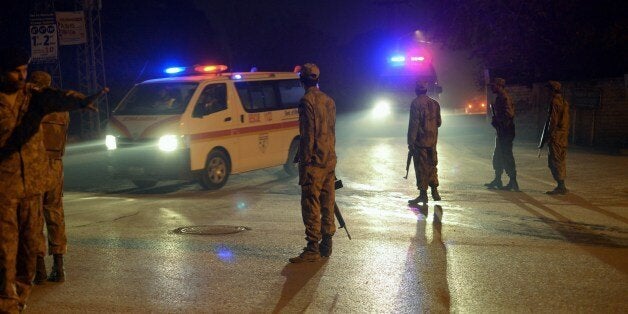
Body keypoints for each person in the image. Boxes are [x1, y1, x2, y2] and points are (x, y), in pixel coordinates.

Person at [0, 47, 105, 312]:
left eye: (25, 71)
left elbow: (55, 98)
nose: (22, 77)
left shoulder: (33, 98)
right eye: (16, 71)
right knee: (6, 252)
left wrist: (80, 100)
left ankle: (23, 295)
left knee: (30, 245)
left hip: (33, 184)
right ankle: (9, 302)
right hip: (7, 188)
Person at [289, 63, 337, 263]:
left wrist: (305, 161)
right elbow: (332, 131)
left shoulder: (306, 101)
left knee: (311, 204)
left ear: (302, 80)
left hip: (314, 162)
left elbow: (307, 135)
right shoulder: (329, 100)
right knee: (328, 202)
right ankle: (326, 244)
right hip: (329, 159)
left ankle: (312, 248)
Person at [28, 71, 70, 284]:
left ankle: (39, 270)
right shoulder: (62, 109)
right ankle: (59, 267)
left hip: (35, 166)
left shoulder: (30, 104)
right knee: (55, 214)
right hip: (55, 166)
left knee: (34, 216)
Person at [407, 81, 442, 204]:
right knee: (432, 165)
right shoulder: (435, 104)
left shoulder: (415, 103)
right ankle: (435, 191)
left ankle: (423, 195)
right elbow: (439, 123)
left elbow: (414, 124)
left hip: (420, 142)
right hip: (432, 141)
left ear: (416, 90)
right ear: (426, 90)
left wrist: (411, 141)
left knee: (421, 167)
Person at [484, 77, 519, 191]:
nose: (492, 88)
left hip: (505, 131)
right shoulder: (500, 97)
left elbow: (509, 115)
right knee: (498, 155)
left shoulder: (504, 98)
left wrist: (498, 122)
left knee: (506, 155)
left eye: (494, 86)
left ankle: (513, 182)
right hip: (502, 131)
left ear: (499, 86)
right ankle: (498, 179)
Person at [545, 81, 570, 194]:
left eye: (549, 89)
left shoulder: (554, 102)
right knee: (560, 159)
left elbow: (553, 121)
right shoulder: (564, 102)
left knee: (554, 160)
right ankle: (561, 185)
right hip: (563, 135)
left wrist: (548, 135)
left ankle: (561, 186)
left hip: (556, 135)